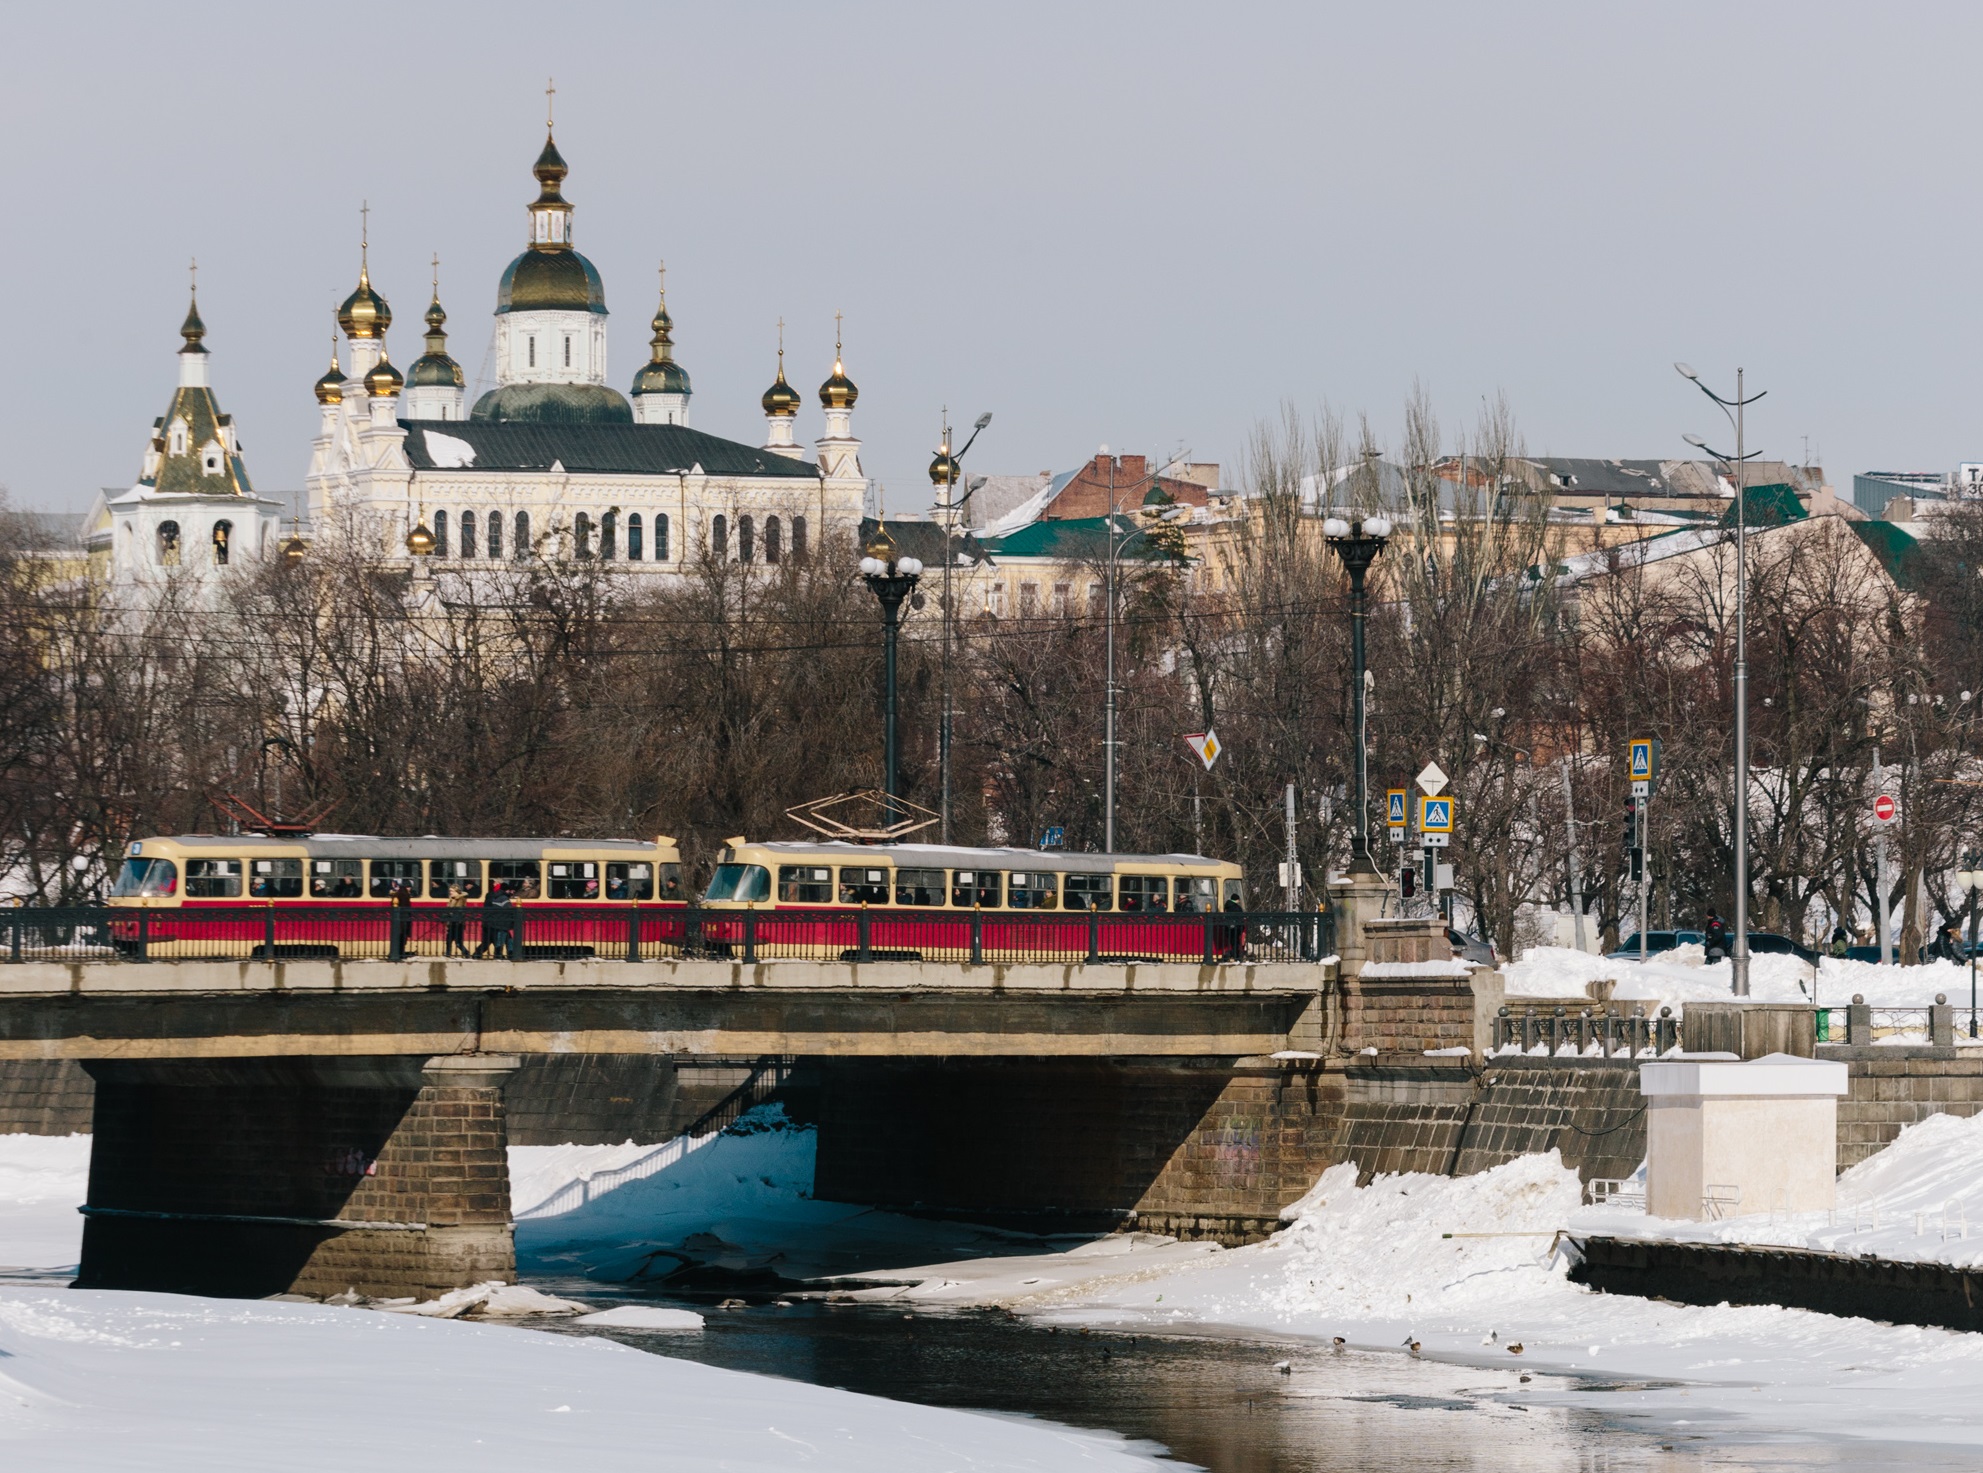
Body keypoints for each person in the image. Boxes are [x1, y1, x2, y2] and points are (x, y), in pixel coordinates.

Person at [388, 878, 413, 959]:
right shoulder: (405, 895)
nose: (410, 888)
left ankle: (396, 952)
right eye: (408, 887)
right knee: (402, 937)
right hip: (403, 920)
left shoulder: (397, 894)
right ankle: (400, 953)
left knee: (398, 937)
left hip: (398, 920)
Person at [443, 882, 470, 957]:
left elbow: (457, 911)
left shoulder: (460, 899)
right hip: (452, 922)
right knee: (449, 940)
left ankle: (466, 953)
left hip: (457, 923)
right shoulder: (452, 899)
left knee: (458, 942)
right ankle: (448, 953)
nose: (450, 892)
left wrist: (449, 914)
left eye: (452, 891)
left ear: (456, 892)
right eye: (450, 891)